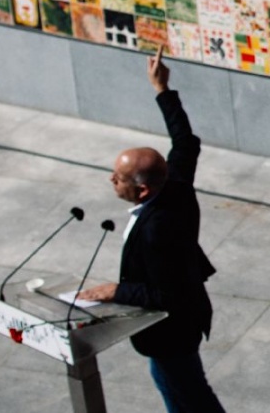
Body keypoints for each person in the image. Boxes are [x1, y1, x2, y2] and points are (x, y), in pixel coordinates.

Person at [78, 48, 226, 413]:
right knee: (179, 392)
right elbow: (185, 141)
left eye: (119, 178)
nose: (111, 180)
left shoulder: (158, 228)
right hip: (181, 323)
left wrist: (116, 291)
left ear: (142, 190)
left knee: (189, 396)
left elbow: (166, 295)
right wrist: (162, 88)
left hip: (171, 331)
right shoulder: (174, 182)